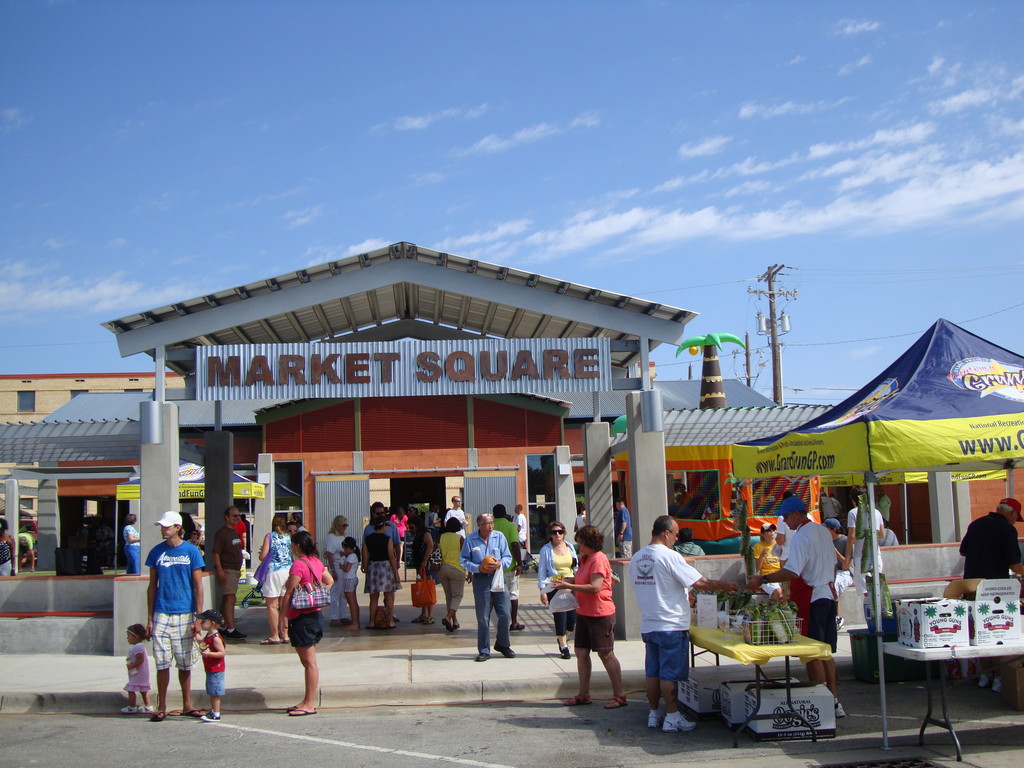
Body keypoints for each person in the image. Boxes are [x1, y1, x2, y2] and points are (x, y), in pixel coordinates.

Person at [629, 515, 737, 733]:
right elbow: (700, 582)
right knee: (669, 676)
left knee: (653, 673)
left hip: (650, 623)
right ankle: (672, 716)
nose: (676, 539)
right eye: (675, 535)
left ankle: (653, 713)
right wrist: (725, 584)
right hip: (671, 624)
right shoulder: (670, 556)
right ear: (666, 533)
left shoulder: (638, 557)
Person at [748, 496, 845, 719]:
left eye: (786, 516)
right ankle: (834, 699)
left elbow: (792, 572)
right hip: (828, 594)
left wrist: (763, 579)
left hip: (813, 596)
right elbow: (832, 564)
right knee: (827, 651)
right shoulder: (822, 531)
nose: (784, 521)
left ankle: (820, 700)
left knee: (812, 652)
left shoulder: (802, 536)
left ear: (798, 514)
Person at [552, 524, 627, 709]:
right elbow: (581, 580)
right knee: (581, 652)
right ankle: (583, 694)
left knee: (605, 653)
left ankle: (619, 695)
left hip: (600, 612)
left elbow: (595, 586)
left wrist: (569, 587)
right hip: (584, 612)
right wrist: (567, 581)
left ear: (590, 543)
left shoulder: (598, 559)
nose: (579, 547)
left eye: (581, 544)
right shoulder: (585, 559)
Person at [144, 510, 205, 722]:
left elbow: (198, 586)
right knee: (162, 661)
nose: (163, 529)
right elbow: (152, 586)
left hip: (185, 612)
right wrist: (150, 618)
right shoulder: (156, 553)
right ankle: (161, 706)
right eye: (162, 526)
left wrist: (198, 617)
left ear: (178, 527)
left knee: (185, 662)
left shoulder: (191, 552)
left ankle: (187, 704)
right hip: (162, 612)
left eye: (167, 526)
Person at [959, 497, 1024, 693]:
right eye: (1015, 517)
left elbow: (963, 551)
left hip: (971, 587)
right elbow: (1014, 565)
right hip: (996, 591)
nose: (1015, 521)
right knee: (997, 633)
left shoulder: (976, 524)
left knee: (979, 633)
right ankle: (999, 679)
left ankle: (984, 676)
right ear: (1011, 513)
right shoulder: (1007, 530)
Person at [280, 530, 333, 717]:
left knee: (309, 662)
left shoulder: (298, 565)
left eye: (292, 544)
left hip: (302, 618)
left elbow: (288, 592)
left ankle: (309, 703)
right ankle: (306, 700)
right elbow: (330, 581)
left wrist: (282, 618)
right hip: (315, 615)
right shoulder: (316, 562)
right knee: (308, 661)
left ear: (297, 546)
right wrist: (315, 593)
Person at [460, 512, 514, 662]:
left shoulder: (499, 537)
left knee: (504, 613)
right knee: (483, 616)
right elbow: (463, 560)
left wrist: (500, 564)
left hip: (498, 578)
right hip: (481, 579)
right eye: (487, 523)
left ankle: (503, 644)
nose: (490, 526)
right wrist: (478, 568)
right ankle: (484, 649)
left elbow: (507, 557)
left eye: (492, 523)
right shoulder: (470, 539)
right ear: (479, 524)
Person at [537, 520, 577, 658]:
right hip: (555, 585)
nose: (557, 535)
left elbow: (575, 566)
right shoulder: (546, 550)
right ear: (550, 535)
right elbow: (542, 571)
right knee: (560, 617)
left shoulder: (570, 547)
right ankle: (563, 645)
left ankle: (564, 637)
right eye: (554, 533)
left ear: (564, 534)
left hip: (571, 584)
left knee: (572, 620)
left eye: (560, 532)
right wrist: (542, 591)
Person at [212, 506, 247, 640]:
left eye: (238, 515)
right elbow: (216, 552)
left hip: (236, 570)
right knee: (230, 598)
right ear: (227, 517)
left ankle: (224, 624)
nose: (237, 518)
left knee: (228, 598)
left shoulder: (234, 532)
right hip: (227, 570)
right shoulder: (222, 533)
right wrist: (220, 570)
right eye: (234, 516)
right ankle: (231, 628)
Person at [257, 514, 293, 645]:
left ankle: (274, 635)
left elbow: (263, 556)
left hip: (274, 571)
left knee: (272, 605)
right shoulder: (288, 538)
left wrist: (261, 552)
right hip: (288, 571)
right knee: (285, 604)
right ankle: (285, 633)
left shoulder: (269, 536)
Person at [362, 516, 401, 629]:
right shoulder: (387, 539)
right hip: (385, 567)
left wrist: (364, 566)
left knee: (373, 597)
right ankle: (389, 621)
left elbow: (365, 555)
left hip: (373, 567)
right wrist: (396, 573)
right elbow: (391, 557)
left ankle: (372, 622)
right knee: (388, 595)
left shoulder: (368, 539)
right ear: (383, 526)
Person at [845, 491, 886, 595]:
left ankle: (871, 610)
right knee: (877, 587)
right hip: (876, 554)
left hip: (861, 554)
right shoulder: (876, 512)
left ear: (854, 501)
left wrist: (847, 558)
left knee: (866, 590)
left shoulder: (853, 513)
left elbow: (851, 536)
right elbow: (882, 535)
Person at [492, 504, 524, 631]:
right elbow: (515, 545)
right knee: (513, 594)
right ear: (505, 513)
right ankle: (514, 621)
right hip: (509, 566)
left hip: (494, 568)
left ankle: (500, 619)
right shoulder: (510, 526)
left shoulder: (490, 526)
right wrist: (519, 563)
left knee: (495, 595)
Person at [193, 608, 227, 722]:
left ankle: (216, 713)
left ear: (212, 623)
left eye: (203, 621)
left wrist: (209, 653)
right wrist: (196, 635)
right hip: (210, 668)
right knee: (212, 690)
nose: (201, 623)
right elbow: (203, 645)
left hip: (216, 669)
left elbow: (222, 653)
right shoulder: (208, 636)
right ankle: (213, 710)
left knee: (215, 692)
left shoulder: (216, 638)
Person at [823, 518, 853, 631]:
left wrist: (833, 549)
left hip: (844, 573)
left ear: (833, 530)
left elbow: (846, 565)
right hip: (829, 570)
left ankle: (837, 617)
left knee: (834, 586)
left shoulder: (845, 542)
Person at [437, 517, 466, 632]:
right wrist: (470, 572)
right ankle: (448, 617)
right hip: (457, 569)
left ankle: (454, 620)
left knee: (449, 596)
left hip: (443, 568)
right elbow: (465, 556)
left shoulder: (441, 537)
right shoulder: (460, 538)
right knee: (457, 596)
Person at [323, 515, 350, 626]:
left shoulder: (342, 537)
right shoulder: (332, 537)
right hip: (336, 567)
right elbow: (329, 554)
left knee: (343, 593)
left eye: (346, 525)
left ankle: (343, 615)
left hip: (344, 566)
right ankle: (334, 617)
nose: (345, 528)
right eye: (343, 525)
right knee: (335, 593)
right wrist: (333, 570)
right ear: (337, 525)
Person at [408, 516, 436, 624]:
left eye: (412, 527)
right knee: (421, 588)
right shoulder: (418, 534)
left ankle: (430, 615)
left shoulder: (426, 534)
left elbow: (430, 545)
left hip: (426, 566)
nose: (411, 530)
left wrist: (425, 561)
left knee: (428, 588)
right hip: (419, 566)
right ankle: (424, 613)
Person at [121, 623, 153, 714]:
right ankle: (148, 706)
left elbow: (140, 659)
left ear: (135, 636)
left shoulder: (138, 648)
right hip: (141, 673)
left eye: (129, 636)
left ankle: (132, 706)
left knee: (131, 689)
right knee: (143, 689)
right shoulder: (138, 647)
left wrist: (132, 665)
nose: (127, 638)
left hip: (138, 673)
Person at [751, 523, 782, 599]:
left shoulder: (779, 545)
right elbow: (757, 568)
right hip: (767, 577)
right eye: (768, 530)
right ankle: (774, 610)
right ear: (762, 534)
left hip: (781, 576)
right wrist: (762, 555)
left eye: (773, 530)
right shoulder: (758, 546)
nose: (772, 532)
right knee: (778, 592)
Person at [338, 536, 360, 629]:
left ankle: (355, 622)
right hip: (352, 579)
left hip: (349, 579)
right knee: (353, 601)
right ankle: (355, 621)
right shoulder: (353, 556)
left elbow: (347, 569)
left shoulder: (351, 556)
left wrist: (341, 566)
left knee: (351, 602)